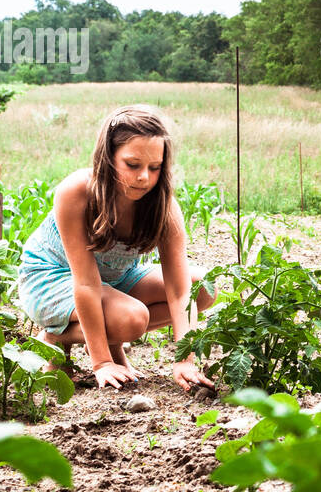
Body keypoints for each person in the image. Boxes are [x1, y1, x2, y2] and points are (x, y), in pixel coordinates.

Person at [17, 104, 216, 392]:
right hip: (53, 277)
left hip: (114, 280)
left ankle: (90, 332)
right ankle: (58, 336)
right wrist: (102, 363)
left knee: (203, 288)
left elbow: (179, 288)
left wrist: (185, 359)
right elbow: (85, 284)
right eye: (132, 165)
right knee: (132, 320)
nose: (144, 177)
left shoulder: (162, 205)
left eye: (154, 167)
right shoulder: (76, 192)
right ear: (108, 158)